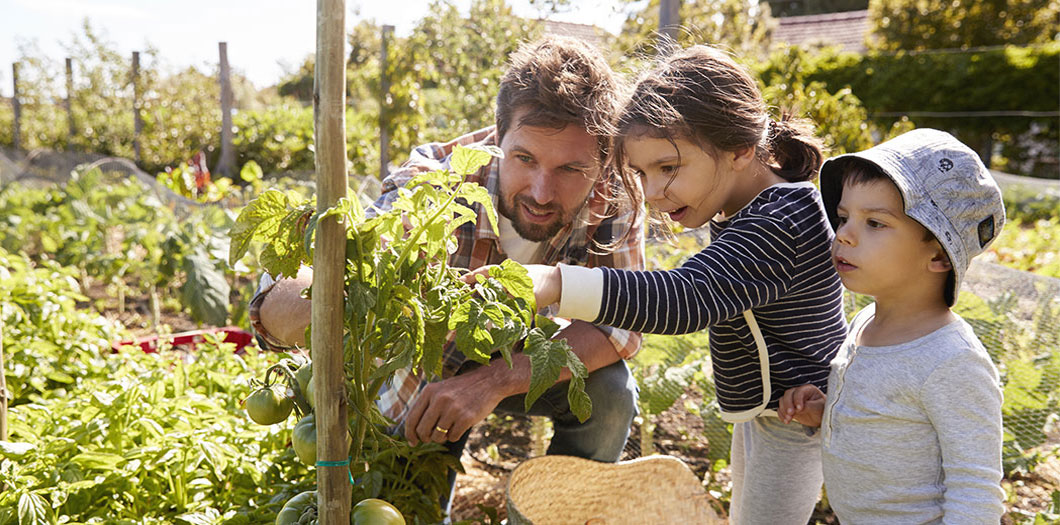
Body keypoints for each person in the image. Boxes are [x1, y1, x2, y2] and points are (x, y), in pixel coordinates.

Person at [248, 34, 644, 500]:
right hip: (430, 372)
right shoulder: (438, 181)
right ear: (498, 137)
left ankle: (562, 509)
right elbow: (299, 288)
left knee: (610, 393)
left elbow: (620, 326)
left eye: (570, 170)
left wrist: (494, 380)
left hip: (529, 357)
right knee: (409, 496)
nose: (541, 191)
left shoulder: (614, 197)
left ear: (600, 163)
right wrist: (317, 300)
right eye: (525, 158)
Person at [479, 45, 850, 524]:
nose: (652, 194)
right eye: (641, 173)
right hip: (778, 411)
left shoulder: (779, 220)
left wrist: (555, 282)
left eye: (668, 168)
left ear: (739, 148)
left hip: (799, 417)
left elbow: (685, 298)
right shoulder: (751, 210)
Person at [778, 128, 1006, 523]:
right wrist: (829, 409)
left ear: (938, 254)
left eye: (875, 224)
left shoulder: (951, 362)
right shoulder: (866, 321)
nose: (844, 235)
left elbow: (976, 491)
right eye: (845, 217)